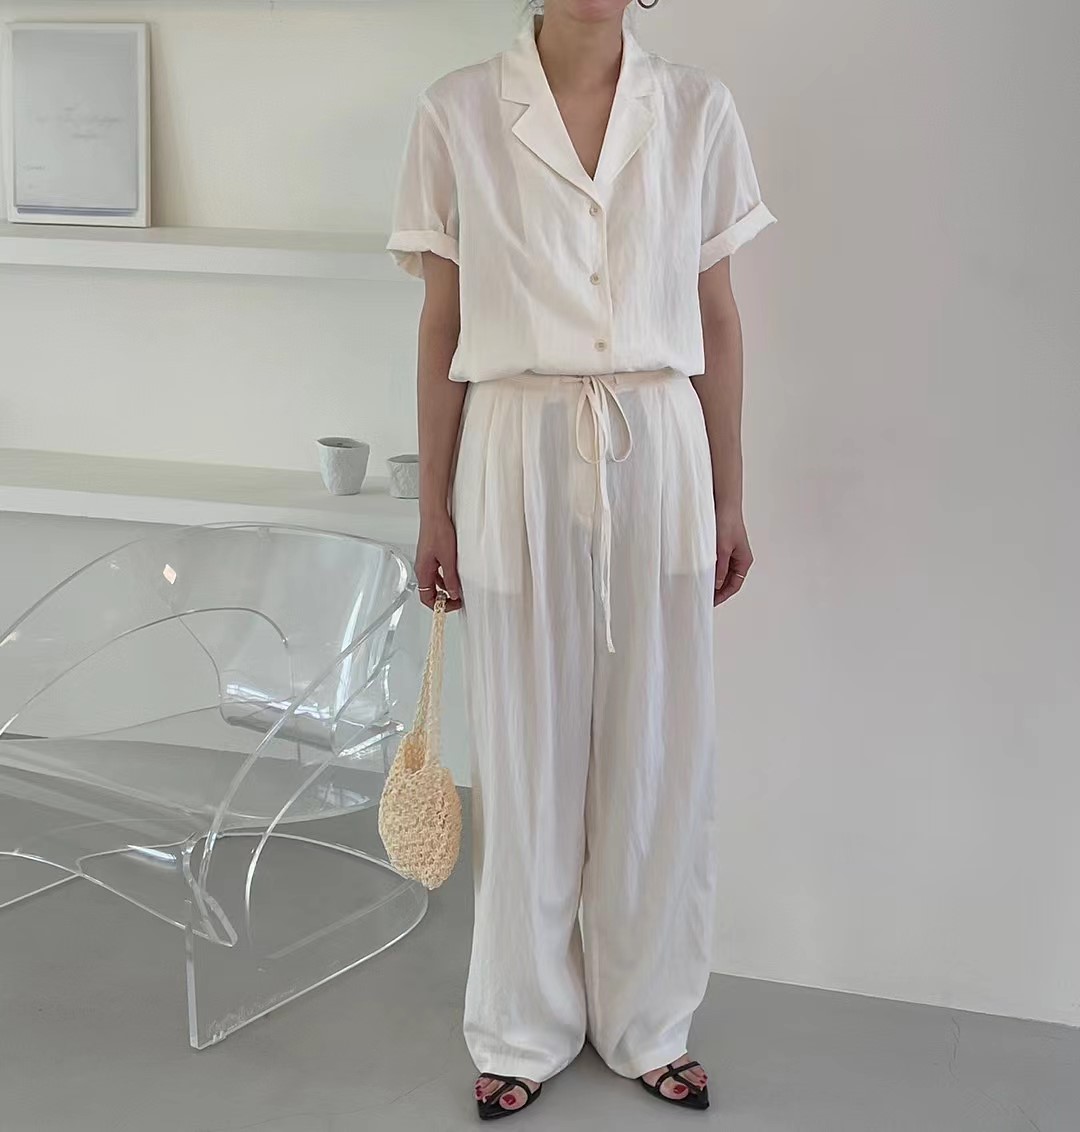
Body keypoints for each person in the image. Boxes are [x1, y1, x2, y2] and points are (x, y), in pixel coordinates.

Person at [387, 0, 775, 1119]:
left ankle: (650, 1018)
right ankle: (521, 1024)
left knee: (659, 745)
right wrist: (432, 507)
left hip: (658, 449)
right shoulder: (458, 111)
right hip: (512, 446)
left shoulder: (697, 110)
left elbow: (717, 316)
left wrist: (730, 493)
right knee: (524, 748)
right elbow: (441, 323)